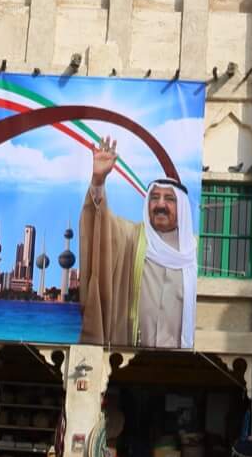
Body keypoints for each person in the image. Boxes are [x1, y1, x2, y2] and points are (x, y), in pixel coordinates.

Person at [76, 136, 197, 347]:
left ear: (183, 208)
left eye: (169, 199)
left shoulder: (195, 251)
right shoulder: (132, 237)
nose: (160, 204)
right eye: (154, 198)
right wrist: (98, 182)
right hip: (133, 353)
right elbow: (101, 225)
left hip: (181, 361)